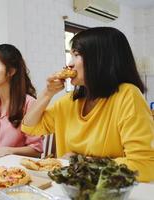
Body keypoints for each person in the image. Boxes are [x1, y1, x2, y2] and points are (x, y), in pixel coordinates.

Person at [21, 27, 154, 182]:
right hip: (69, 189)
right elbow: (29, 127)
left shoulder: (128, 96)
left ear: (101, 58)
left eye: (76, 55)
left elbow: (144, 165)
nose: (69, 64)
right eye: (71, 55)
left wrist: (80, 163)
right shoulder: (70, 100)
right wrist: (47, 93)